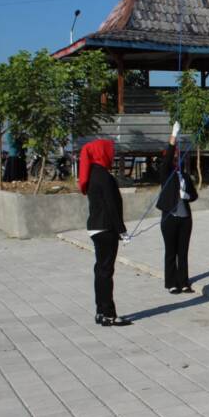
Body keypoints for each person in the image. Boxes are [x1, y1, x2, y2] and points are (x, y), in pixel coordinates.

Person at [79, 139, 132, 327]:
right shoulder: (104, 176)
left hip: (95, 228)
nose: (113, 153)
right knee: (106, 272)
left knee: (100, 271)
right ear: (102, 152)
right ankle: (109, 314)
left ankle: (101, 311)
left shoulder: (92, 173)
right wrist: (122, 231)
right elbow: (112, 207)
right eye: (111, 150)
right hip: (106, 229)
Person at [156, 122, 199, 294]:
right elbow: (168, 158)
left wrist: (188, 196)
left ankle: (184, 282)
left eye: (178, 158)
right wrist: (173, 136)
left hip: (185, 218)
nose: (176, 160)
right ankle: (171, 283)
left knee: (183, 252)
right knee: (170, 252)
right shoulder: (166, 173)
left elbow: (194, 195)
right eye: (174, 158)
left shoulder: (185, 176)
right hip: (170, 218)